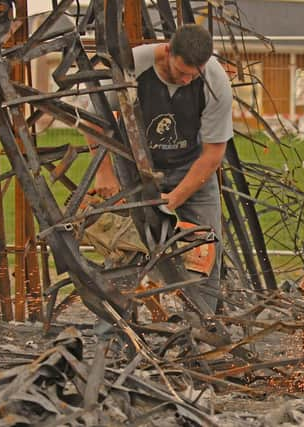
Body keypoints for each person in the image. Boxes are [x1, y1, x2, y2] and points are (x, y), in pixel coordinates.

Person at [87, 24, 233, 310]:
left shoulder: (215, 81)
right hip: (133, 168)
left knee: (206, 247)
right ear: (167, 51)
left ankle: (202, 332)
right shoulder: (133, 66)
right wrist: (104, 172)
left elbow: (213, 154)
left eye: (195, 74)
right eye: (181, 72)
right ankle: (117, 335)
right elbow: (95, 120)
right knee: (124, 250)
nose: (188, 80)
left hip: (191, 168)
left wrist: (174, 199)